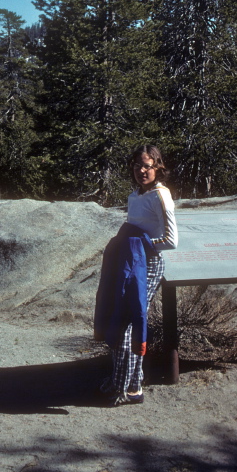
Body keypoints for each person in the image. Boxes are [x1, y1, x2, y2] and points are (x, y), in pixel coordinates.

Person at [94, 144, 178, 406]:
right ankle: (130, 382)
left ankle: (126, 387)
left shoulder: (160, 195)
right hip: (130, 263)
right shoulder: (135, 195)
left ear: (157, 167)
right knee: (120, 317)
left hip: (149, 264)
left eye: (147, 166)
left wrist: (141, 245)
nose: (142, 171)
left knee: (131, 322)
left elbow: (171, 240)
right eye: (137, 165)